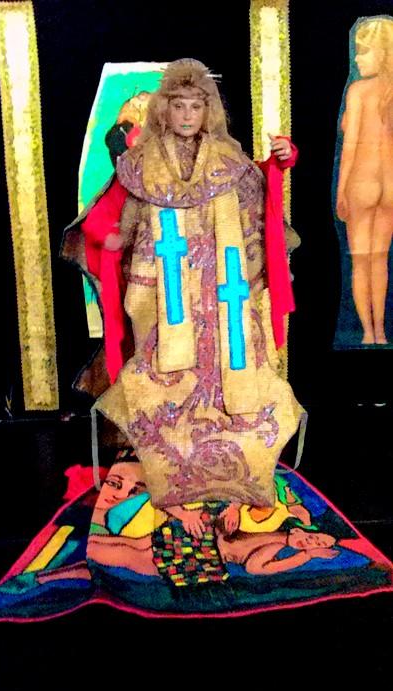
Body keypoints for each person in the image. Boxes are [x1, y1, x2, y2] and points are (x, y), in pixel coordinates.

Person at [94, 58, 304, 521]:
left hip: (223, 292)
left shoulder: (230, 162)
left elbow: (259, 206)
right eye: (178, 105)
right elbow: (123, 218)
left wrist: (280, 163)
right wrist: (114, 241)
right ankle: (171, 467)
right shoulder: (140, 164)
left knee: (233, 362)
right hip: (165, 294)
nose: (187, 115)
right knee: (158, 373)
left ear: (209, 111)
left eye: (196, 106)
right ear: (163, 110)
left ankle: (239, 463)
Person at [336, 16, 393, 345]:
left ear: (382, 54)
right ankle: (382, 332)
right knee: (380, 259)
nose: (357, 59)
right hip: (390, 185)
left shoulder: (358, 91)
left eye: (363, 51)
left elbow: (351, 145)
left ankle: (368, 333)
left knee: (360, 260)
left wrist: (341, 190)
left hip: (362, 182)